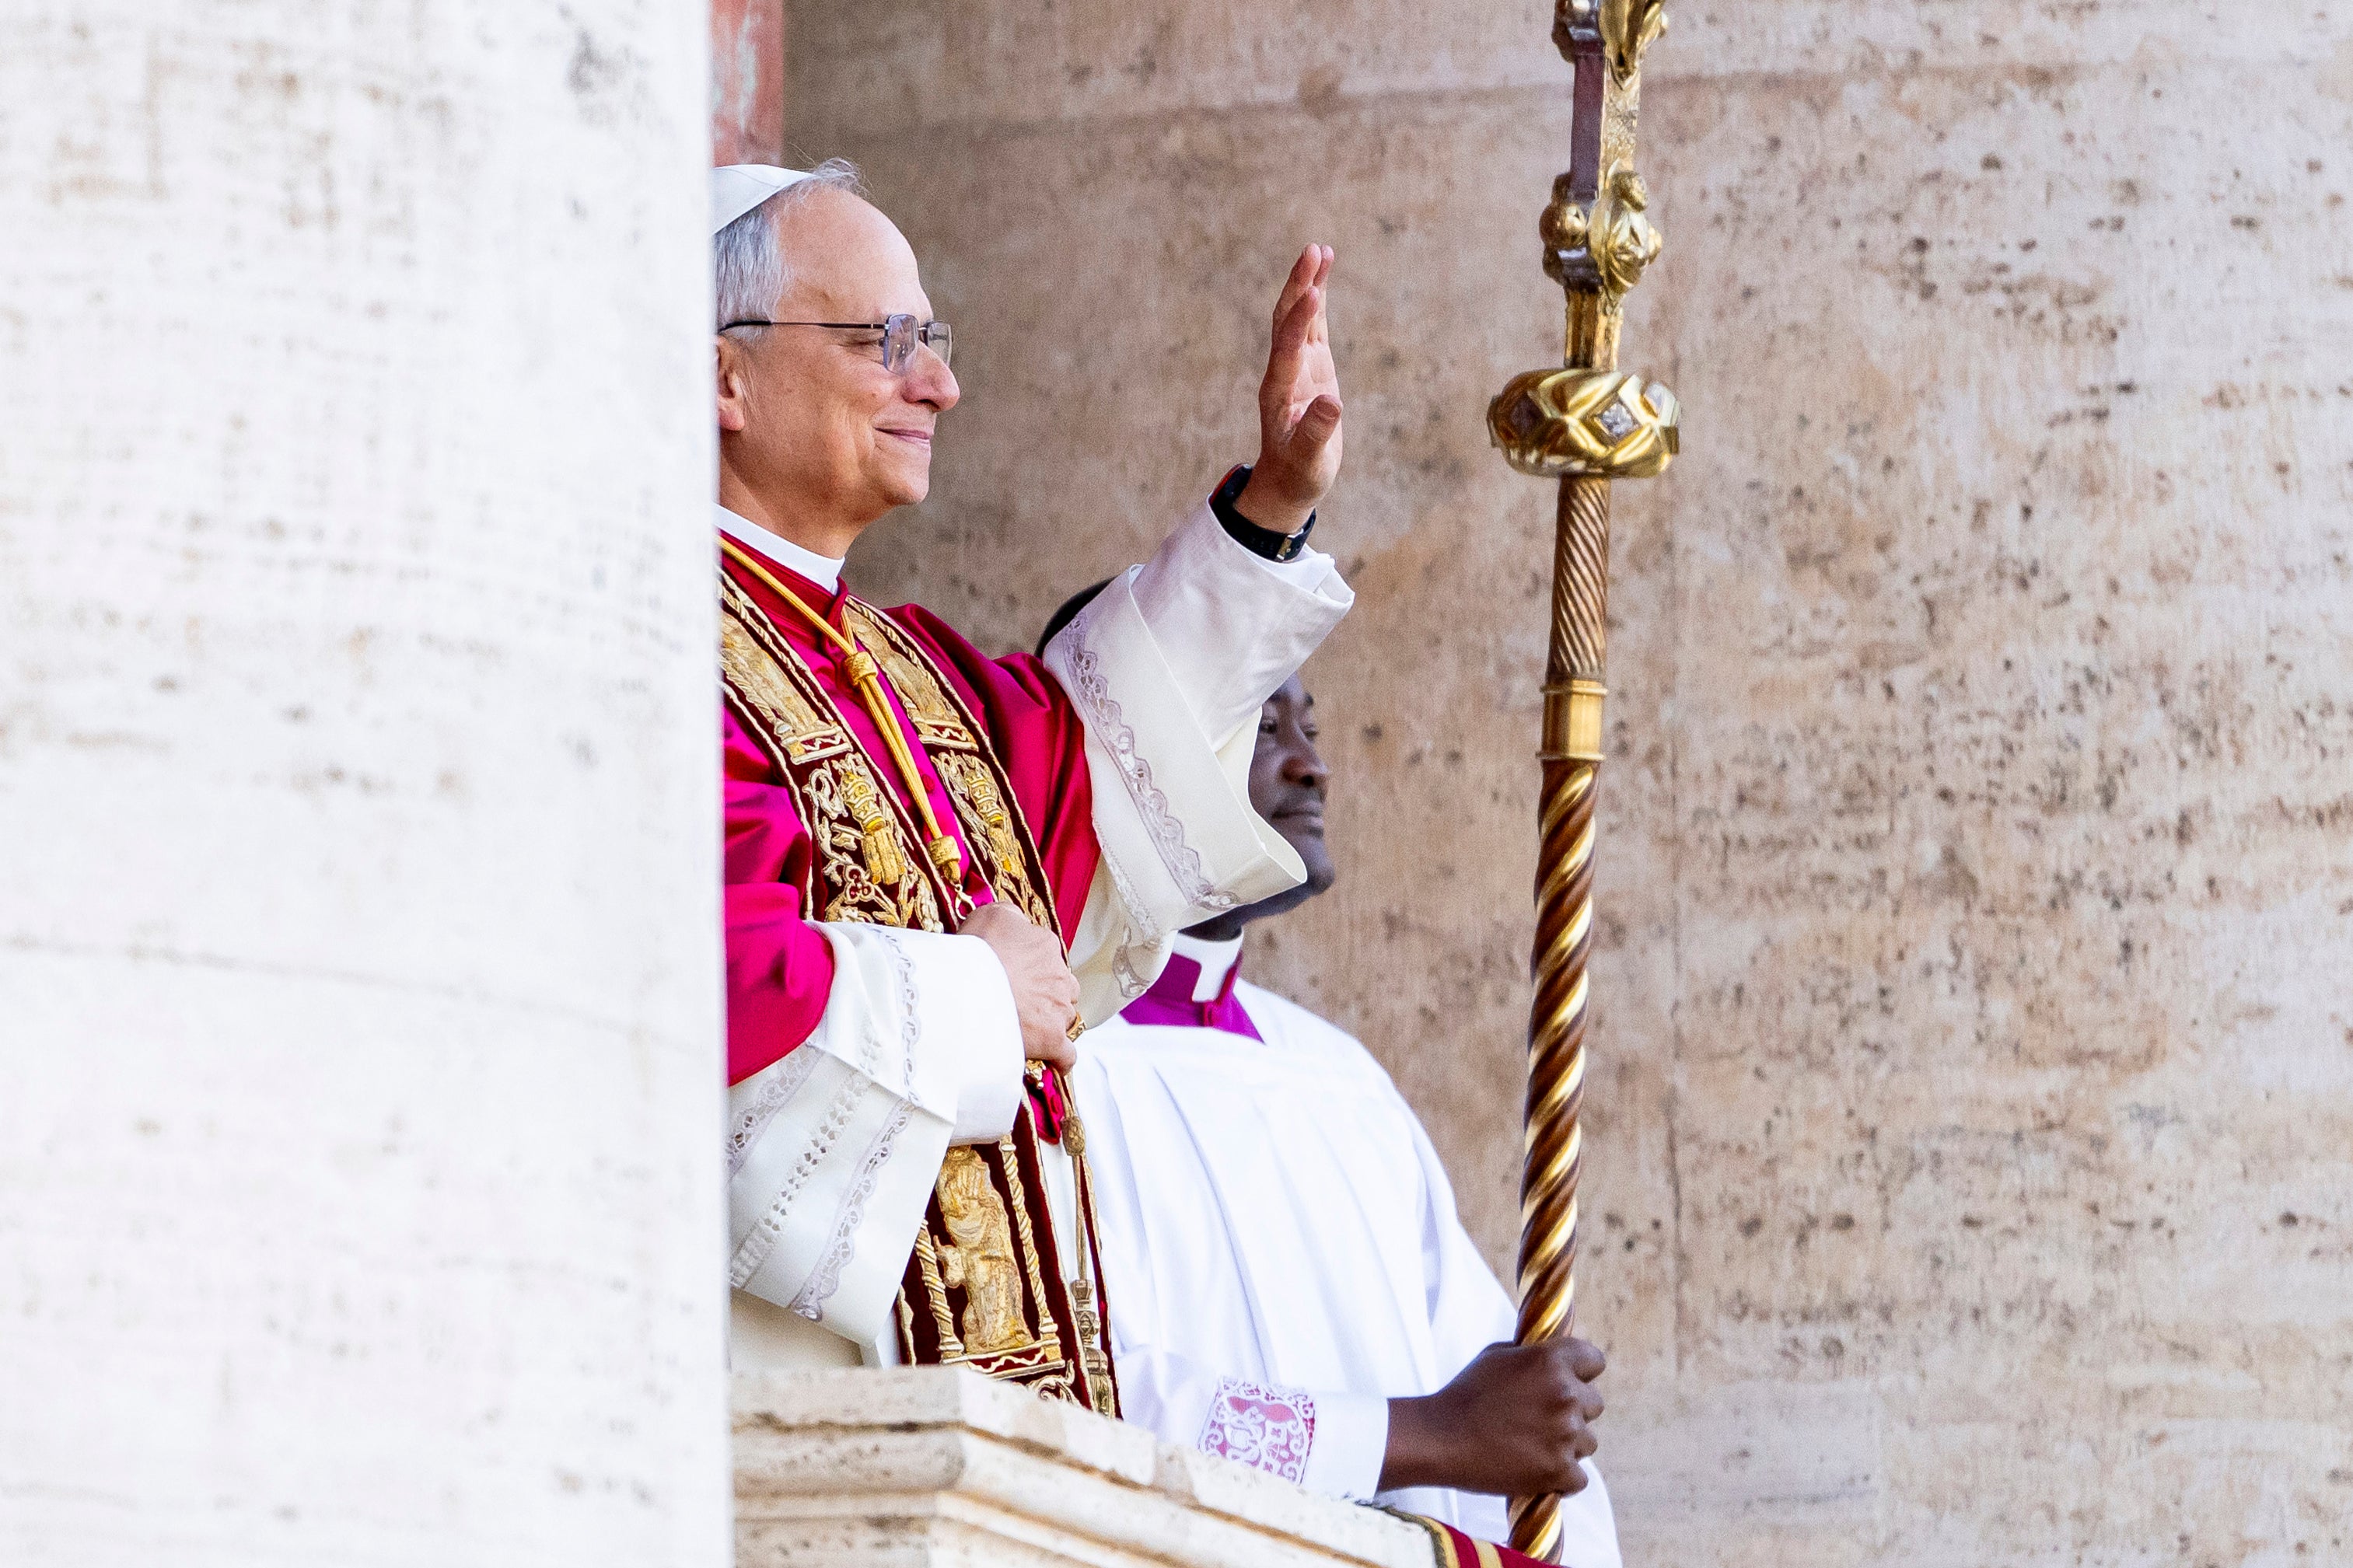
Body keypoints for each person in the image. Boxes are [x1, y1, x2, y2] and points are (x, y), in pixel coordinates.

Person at [714, 159, 1353, 1417]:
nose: (938, 385)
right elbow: (676, 997)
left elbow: (1104, 767)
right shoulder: (631, 655)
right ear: (724, 375)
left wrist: (1269, 507)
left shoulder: (912, 668)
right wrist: (973, 999)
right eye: (883, 341)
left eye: (933, 341)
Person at [1041, 589, 1621, 1564]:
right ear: (1120, 744)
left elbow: (1509, 1408)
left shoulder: (1336, 1078)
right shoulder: (1042, 1062)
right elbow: (1067, 1399)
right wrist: (1426, 1432)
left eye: (1307, 726)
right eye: (1261, 724)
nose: (1310, 765)